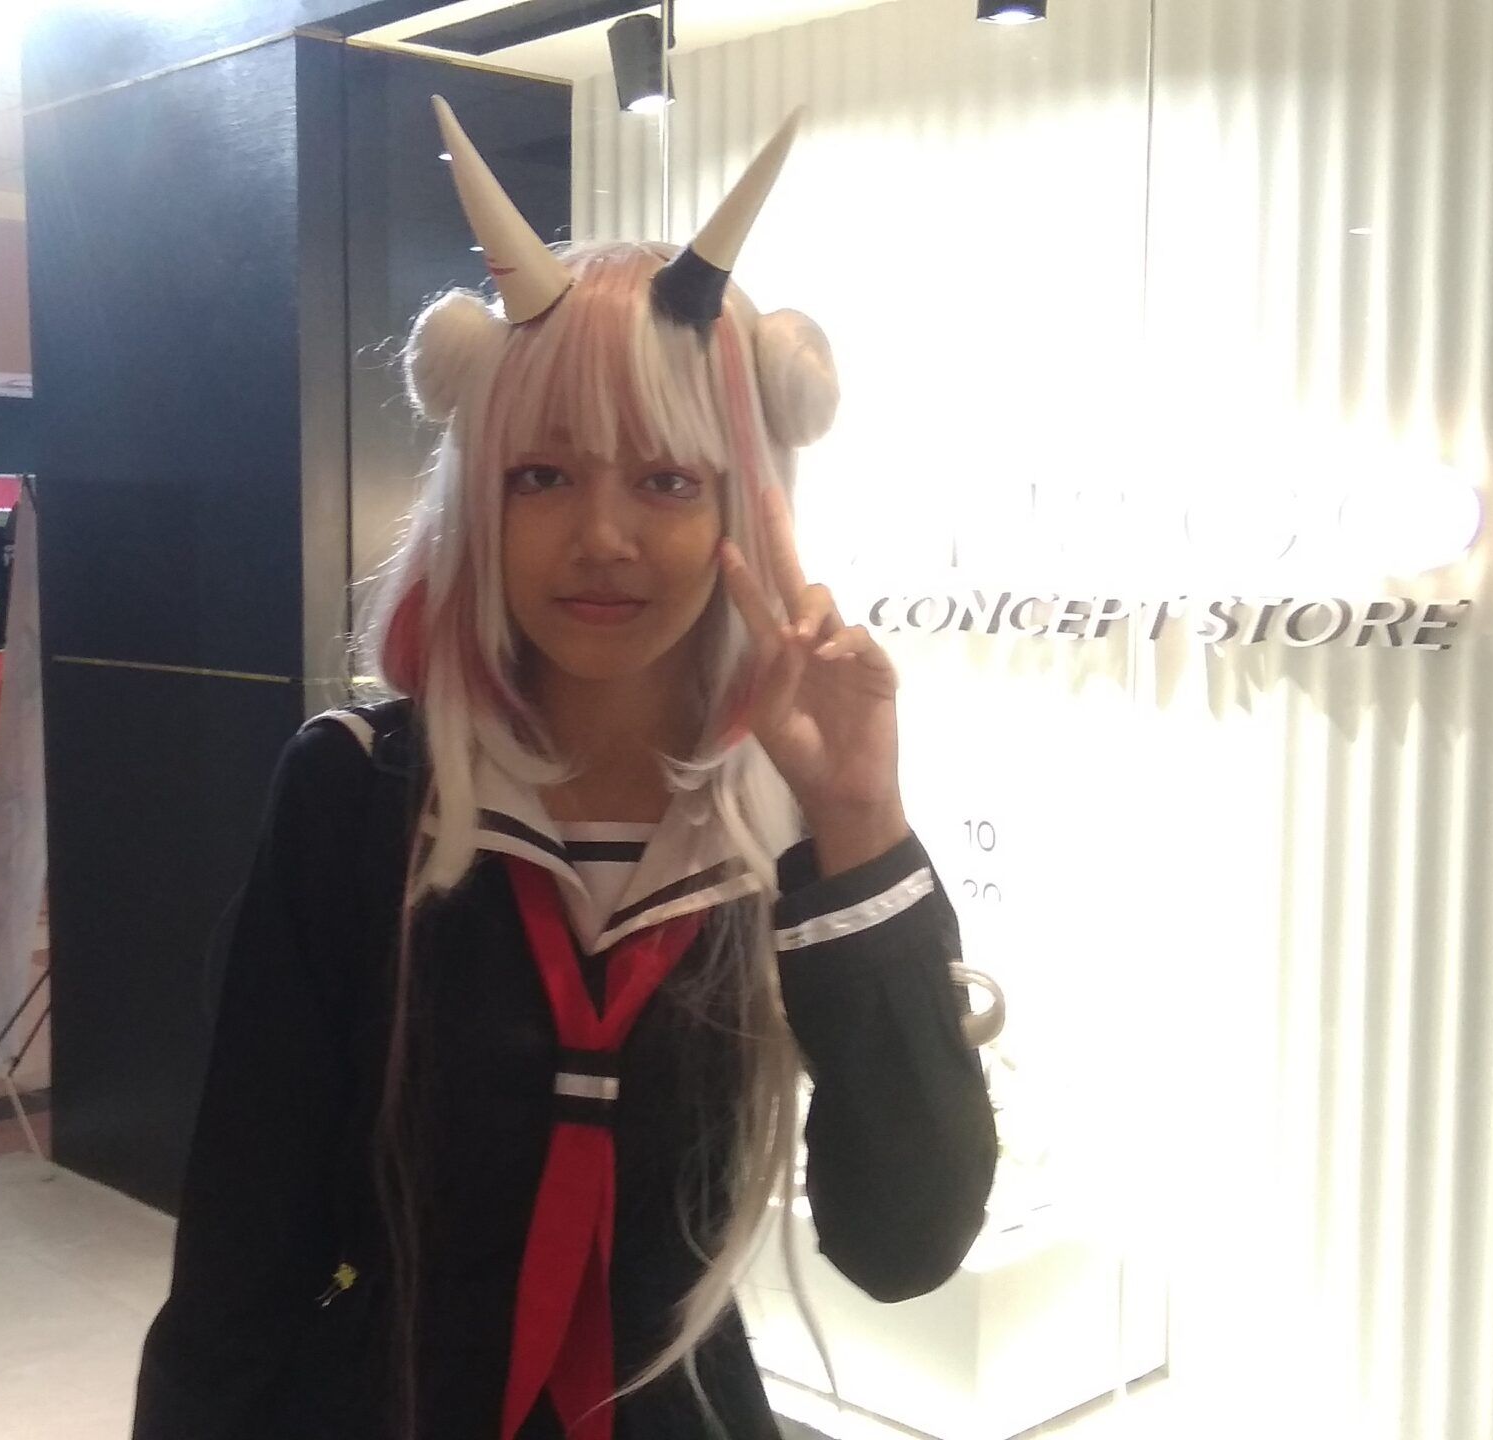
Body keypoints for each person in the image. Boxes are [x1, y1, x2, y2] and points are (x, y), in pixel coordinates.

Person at [131, 104, 998, 1440]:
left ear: (746, 501)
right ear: (480, 496)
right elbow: (245, 1236)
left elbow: (905, 1244)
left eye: (667, 480)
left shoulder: (796, 833)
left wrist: (861, 823)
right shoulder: (358, 791)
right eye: (543, 476)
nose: (602, 536)